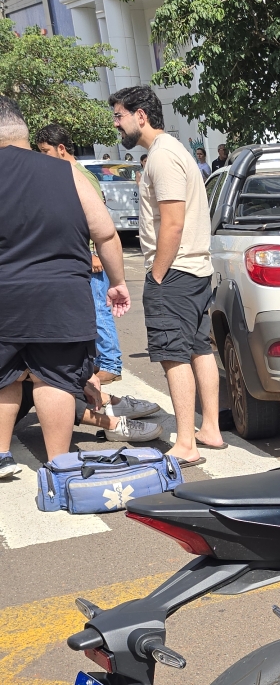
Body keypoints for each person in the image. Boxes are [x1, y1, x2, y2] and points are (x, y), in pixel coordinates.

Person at [0, 97, 131, 475]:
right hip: (60, 295)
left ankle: (2, 453)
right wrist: (117, 281)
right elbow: (105, 232)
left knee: (4, 375)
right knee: (52, 376)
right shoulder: (64, 171)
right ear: (23, 131)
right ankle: (59, 464)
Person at [110, 85, 224, 465]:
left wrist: (156, 276)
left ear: (140, 115)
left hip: (175, 272)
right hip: (192, 270)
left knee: (173, 355)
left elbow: (172, 224)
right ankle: (209, 429)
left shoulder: (162, 157)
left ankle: (187, 444)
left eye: (119, 116)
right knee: (197, 348)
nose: (117, 124)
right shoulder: (171, 153)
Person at [34, 124, 161, 442]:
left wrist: (94, 254)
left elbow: (97, 220)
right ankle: (104, 395)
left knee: (100, 317)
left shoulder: (79, 177)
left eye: (46, 152)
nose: (43, 159)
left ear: (61, 149)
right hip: (81, 262)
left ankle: (108, 370)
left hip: (90, 262)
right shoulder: (65, 176)